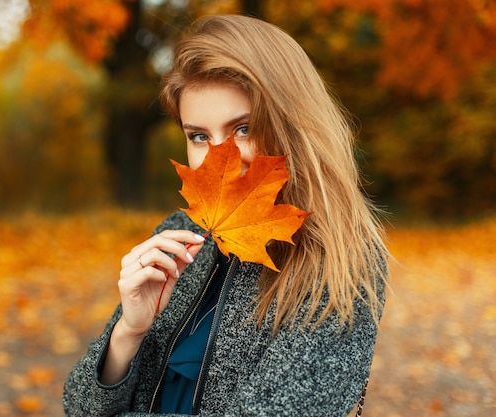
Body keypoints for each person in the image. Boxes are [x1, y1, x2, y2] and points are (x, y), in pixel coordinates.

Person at [63, 14, 389, 417]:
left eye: (243, 128)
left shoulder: (340, 261)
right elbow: (80, 406)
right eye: (199, 136)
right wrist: (129, 332)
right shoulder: (180, 233)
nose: (222, 158)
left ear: (293, 125)